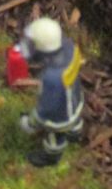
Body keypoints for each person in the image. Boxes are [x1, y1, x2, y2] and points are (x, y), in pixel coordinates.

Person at [18, 17, 84, 167]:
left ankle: (51, 156)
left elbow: (47, 109)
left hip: (61, 116)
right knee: (75, 121)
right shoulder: (69, 48)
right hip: (76, 97)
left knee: (54, 135)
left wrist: (31, 122)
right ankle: (75, 134)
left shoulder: (52, 78)